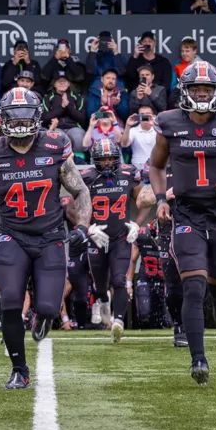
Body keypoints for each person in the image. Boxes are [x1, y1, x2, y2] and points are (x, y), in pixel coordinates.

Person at [0, 87, 94, 387]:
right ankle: (19, 370)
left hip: (50, 236)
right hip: (12, 235)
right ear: (2, 119)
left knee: (48, 307)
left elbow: (80, 190)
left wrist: (83, 227)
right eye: (14, 118)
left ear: (36, 117)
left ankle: (42, 316)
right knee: (9, 302)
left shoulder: (55, 144)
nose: (20, 124)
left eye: (25, 118)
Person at [148, 62, 216, 383]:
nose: (201, 94)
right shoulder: (169, 122)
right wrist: (160, 199)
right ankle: (198, 360)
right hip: (186, 213)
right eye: (195, 88)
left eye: (207, 89)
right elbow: (156, 167)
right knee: (193, 286)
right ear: (184, 91)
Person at [80, 141, 152, 341]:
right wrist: (87, 228)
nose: (106, 163)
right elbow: (72, 207)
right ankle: (103, 301)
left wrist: (136, 224)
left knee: (119, 280)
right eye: (102, 159)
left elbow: (144, 200)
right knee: (100, 286)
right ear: (95, 160)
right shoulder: (87, 177)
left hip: (121, 236)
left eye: (110, 158)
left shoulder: (128, 174)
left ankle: (118, 322)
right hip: (97, 237)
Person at [41, 70, 86, 151]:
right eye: (59, 81)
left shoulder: (77, 97)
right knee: (54, 139)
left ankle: (79, 162)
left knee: (78, 138)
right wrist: (62, 107)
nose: (62, 83)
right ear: (54, 84)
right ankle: (57, 162)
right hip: (56, 127)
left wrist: (68, 106)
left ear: (68, 84)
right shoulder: (47, 97)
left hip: (73, 127)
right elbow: (45, 119)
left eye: (64, 81)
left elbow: (82, 118)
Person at [122, 104, 158, 170]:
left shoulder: (158, 130)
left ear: (153, 116)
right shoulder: (133, 130)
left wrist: (155, 125)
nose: (144, 116)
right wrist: (127, 125)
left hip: (156, 166)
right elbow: (124, 144)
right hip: (138, 167)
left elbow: (166, 144)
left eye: (148, 114)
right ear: (138, 117)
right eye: (142, 114)